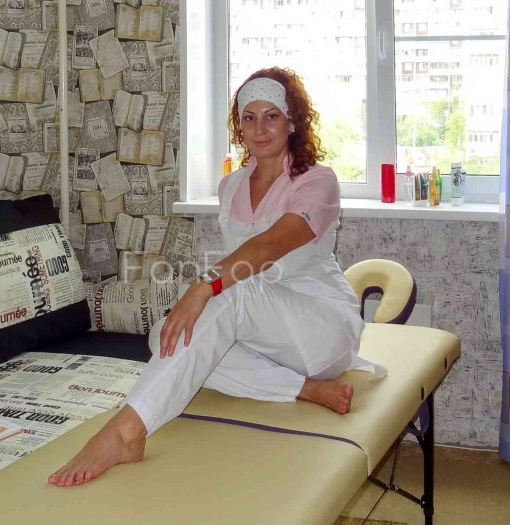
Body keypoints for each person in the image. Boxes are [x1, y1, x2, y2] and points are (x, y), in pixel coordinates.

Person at [48, 67, 385, 488]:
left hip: (320, 329)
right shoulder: (230, 186)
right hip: (265, 336)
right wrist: (205, 293)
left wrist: (202, 286)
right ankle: (301, 389)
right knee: (165, 335)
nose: (259, 129)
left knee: (227, 293)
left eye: (272, 116)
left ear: (292, 121)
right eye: (249, 118)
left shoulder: (318, 181)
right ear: (238, 126)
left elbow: (269, 246)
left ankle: (127, 431)